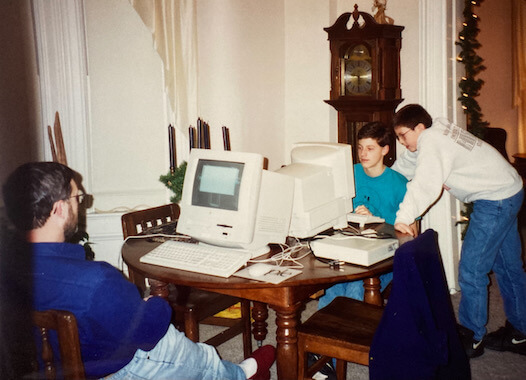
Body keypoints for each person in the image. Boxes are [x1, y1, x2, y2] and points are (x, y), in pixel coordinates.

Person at [2, 161, 275, 380]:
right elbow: (148, 332)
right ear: (59, 209)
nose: (79, 205)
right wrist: (155, 303)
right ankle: (236, 375)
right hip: (114, 370)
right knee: (170, 341)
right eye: (77, 198)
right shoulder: (95, 280)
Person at [391, 103, 526, 358]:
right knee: (509, 268)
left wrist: (404, 217)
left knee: (471, 268)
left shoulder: (432, 140)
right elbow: (410, 164)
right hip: (510, 190)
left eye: (403, 136)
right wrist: (386, 178)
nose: (402, 142)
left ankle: (471, 336)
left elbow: (424, 185)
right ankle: (521, 332)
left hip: (495, 200)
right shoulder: (435, 132)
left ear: (419, 128)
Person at [318, 121, 408, 308]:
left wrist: (375, 220)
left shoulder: (399, 183)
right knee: (334, 283)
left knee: (354, 284)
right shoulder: (350, 172)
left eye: (370, 148)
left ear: (385, 150)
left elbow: (411, 233)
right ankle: (324, 334)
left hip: (384, 255)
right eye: (360, 148)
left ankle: (354, 334)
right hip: (350, 246)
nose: (363, 154)